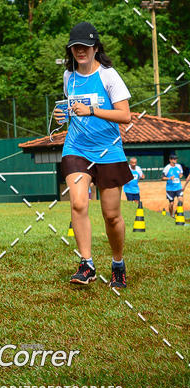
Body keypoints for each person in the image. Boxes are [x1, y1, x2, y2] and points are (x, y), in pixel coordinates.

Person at [54, 22, 133, 289]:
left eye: (85, 46)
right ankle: (86, 264)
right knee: (78, 204)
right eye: (76, 47)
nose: (80, 51)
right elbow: (71, 110)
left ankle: (118, 263)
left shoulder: (109, 76)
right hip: (76, 148)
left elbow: (125, 115)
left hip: (108, 150)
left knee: (111, 216)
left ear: (96, 48)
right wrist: (60, 115)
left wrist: (93, 111)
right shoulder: (69, 77)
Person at [162, 152, 184, 217]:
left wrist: (181, 175)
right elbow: (162, 178)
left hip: (178, 187)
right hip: (170, 188)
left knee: (181, 201)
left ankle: (176, 212)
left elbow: (181, 173)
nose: (175, 160)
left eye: (176, 159)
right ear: (170, 160)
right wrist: (169, 178)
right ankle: (171, 215)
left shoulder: (179, 166)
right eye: (174, 159)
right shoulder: (167, 168)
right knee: (171, 203)